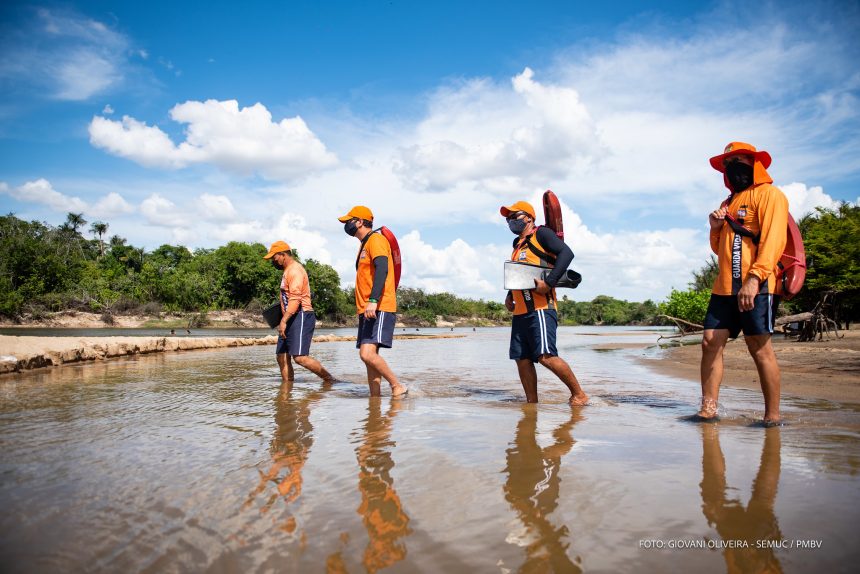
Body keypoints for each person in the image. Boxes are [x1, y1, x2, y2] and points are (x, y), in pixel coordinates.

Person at [699, 142, 789, 424]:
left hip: (757, 285)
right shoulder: (728, 203)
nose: (732, 167)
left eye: (737, 160)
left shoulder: (770, 195)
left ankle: (772, 417)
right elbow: (721, 249)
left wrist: (754, 278)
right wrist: (714, 229)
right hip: (724, 287)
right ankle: (708, 409)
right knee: (710, 342)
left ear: (753, 163)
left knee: (759, 346)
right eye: (727, 164)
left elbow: (775, 240)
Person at [501, 201, 588, 405]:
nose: (510, 221)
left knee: (545, 356)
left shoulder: (542, 234)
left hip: (541, 308)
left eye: (515, 216)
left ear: (529, 217)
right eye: (508, 218)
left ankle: (579, 394)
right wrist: (509, 296)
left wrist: (549, 282)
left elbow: (567, 254)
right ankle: (532, 403)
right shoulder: (517, 244)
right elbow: (517, 273)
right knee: (521, 359)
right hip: (521, 311)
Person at [337, 206, 407, 397]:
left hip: (379, 305)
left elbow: (382, 269)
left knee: (367, 354)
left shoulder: (376, 240)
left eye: (348, 221)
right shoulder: (364, 244)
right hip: (367, 309)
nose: (346, 225)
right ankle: (374, 399)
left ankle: (397, 386)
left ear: (360, 221)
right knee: (369, 358)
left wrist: (373, 300)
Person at [263, 241, 333, 386]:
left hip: (301, 315)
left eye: (274, 257)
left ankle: (330, 380)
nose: (273, 261)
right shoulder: (287, 271)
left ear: (283, 255)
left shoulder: (295, 270)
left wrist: (283, 321)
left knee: (300, 357)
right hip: (290, 316)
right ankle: (286, 390)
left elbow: (295, 299)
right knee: (281, 356)